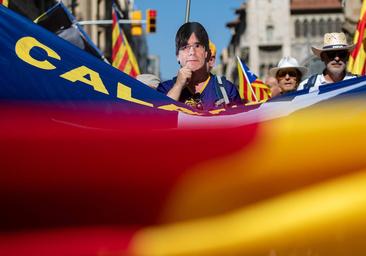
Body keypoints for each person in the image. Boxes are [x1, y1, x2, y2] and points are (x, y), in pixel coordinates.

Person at [157, 22, 241, 111]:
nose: (192, 52)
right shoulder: (164, 89)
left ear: (206, 53)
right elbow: (159, 119)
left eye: (197, 46)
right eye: (185, 47)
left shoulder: (227, 90)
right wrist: (178, 86)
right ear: (177, 56)